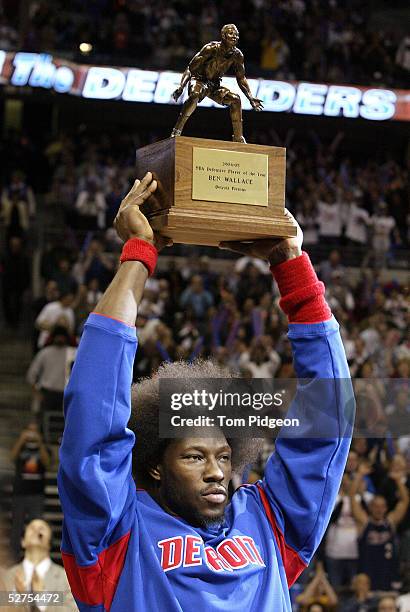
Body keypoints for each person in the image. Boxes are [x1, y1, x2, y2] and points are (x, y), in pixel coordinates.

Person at [57, 173, 354, 611]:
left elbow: (329, 419)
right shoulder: (115, 538)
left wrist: (291, 264)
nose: (217, 472)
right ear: (156, 465)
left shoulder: (270, 524)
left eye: (223, 456)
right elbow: (93, 414)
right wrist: (138, 256)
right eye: (195, 456)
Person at [171, 24, 263, 142]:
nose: (234, 37)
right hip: (199, 80)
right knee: (195, 94)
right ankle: (177, 131)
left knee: (236, 100)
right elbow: (190, 68)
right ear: (223, 36)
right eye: (231, 34)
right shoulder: (211, 48)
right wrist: (181, 86)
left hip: (214, 85)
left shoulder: (237, 55)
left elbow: (241, 78)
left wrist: (250, 97)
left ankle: (238, 138)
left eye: (236, 35)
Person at [349, 462, 409, 591]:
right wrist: (359, 475)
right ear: (370, 507)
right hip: (368, 575)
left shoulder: (391, 522)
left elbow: (404, 501)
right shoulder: (364, 522)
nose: (379, 509)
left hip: (389, 572)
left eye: (382, 506)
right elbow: (352, 498)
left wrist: (398, 481)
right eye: (376, 506)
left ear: (386, 508)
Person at [4, 519, 77, 611]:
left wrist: (42, 598)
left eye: (41, 528)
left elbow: (73, 610)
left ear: (49, 543)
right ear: (23, 542)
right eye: (32, 528)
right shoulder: (6, 577)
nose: (36, 531)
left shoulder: (66, 578)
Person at [10, 423, 50, 562]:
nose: (31, 434)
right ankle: (13, 559)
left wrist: (40, 443)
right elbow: (12, 457)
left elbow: (47, 462)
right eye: (29, 430)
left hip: (36, 494)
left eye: (34, 431)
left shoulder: (43, 447)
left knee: (37, 527)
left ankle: (37, 557)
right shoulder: (21, 447)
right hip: (19, 493)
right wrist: (21, 440)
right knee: (16, 527)